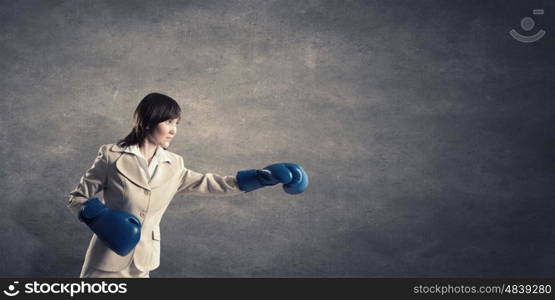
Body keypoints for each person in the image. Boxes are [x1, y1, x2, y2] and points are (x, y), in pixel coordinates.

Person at [67, 92, 308, 278]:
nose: (173, 130)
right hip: (106, 261)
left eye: (177, 123)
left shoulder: (174, 164)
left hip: (143, 262)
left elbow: (213, 184)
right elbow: (77, 198)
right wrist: (101, 218)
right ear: (149, 121)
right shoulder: (111, 156)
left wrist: (261, 177)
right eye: (168, 122)